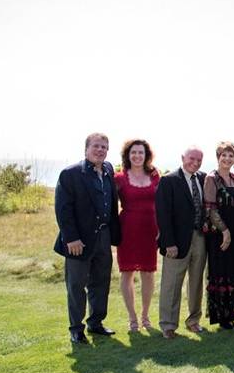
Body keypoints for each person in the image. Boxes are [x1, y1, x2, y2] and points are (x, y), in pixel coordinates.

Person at [54, 133, 122, 344]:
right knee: (76, 286)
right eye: (96, 146)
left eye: (104, 147)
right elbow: (63, 210)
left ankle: (96, 322)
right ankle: (76, 328)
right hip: (78, 241)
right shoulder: (70, 174)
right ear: (86, 149)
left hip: (103, 236)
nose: (100, 150)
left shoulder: (109, 169)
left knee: (101, 282)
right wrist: (71, 238)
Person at [155, 146, 207, 339]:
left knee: (196, 282)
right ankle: (168, 324)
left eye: (199, 160)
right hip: (175, 242)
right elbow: (163, 214)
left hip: (200, 238)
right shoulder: (169, 180)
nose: (195, 163)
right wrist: (169, 242)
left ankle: (193, 320)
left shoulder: (203, 178)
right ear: (182, 157)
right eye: (191, 158)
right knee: (172, 283)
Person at [113, 138, 160, 332]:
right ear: (127, 155)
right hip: (128, 229)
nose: (137, 156)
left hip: (150, 228)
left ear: (146, 155)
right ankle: (132, 318)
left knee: (148, 273)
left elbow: (162, 204)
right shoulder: (119, 178)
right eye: (133, 152)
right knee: (127, 273)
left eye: (141, 152)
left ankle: (145, 315)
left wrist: (162, 229)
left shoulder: (155, 175)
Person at [203, 142, 234, 330]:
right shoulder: (211, 179)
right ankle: (222, 316)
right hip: (219, 235)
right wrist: (225, 231)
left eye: (231, 156)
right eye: (224, 155)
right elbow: (210, 208)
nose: (227, 159)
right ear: (218, 157)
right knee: (221, 272)